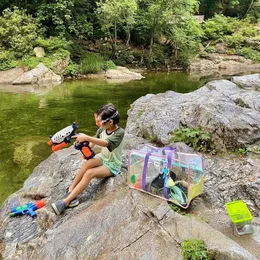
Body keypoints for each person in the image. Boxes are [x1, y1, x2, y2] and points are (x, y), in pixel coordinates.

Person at [51, 103, 125, 215]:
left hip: (112, 165)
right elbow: (94, 141)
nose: (97, 124)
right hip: (103, 157)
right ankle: (71, 190)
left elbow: (105, 143)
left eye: (99, 122)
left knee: (89, 173)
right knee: (87, 163)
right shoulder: (102, 129)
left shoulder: (120, 133)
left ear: (110, 122)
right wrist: (86, 148)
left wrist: (86, 137)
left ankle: (65, 202)